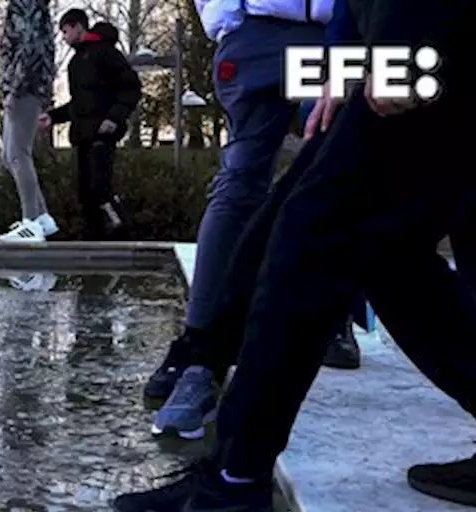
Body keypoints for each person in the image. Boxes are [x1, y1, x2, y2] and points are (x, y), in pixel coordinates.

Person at [112, 0, 476, 512]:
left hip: (431, 39)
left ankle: (234, 482)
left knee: (312, 238)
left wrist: (398, 50)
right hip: (422, 42)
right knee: (384, 255)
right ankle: (230, 461)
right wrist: (352, 64)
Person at [142, 0, 334, 409]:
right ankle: (199, 342)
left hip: (315, 35)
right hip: (270, 34)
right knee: (252, 181)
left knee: (319, 172)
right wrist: (224, 19)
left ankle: (199, 344)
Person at [30, 10, 141, 242]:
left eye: (66, 31)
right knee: (85, 192)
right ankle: (95, 237)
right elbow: (80, 104)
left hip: (103, 132)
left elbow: (131, 88)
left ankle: (119, 231)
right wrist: (53, 117)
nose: (64, 37)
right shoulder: (75, 63)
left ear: (79, 27)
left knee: (100, 188)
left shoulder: (106, 54)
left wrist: (114, 117)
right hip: (82, 135)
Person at [0, 0, 59, 243]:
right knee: (9, 155)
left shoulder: (25, 4)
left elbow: (29, 47)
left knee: (18, 154)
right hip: (26, 85)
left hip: (25, 86)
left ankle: (30, 222)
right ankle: (41, 218)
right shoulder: (30, 6)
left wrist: (15, 88)